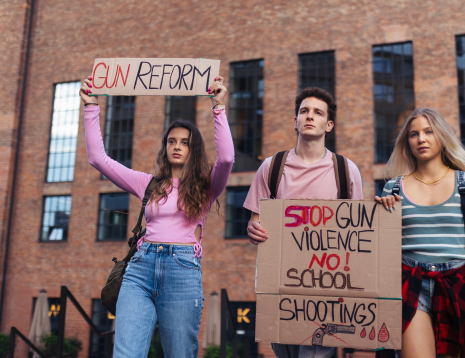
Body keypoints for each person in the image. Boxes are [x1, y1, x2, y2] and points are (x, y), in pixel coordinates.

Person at [79, 76, 234, 358]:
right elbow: (98, 159)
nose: (176, 146)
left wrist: (218, 107)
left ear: (193, 149)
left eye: (184, 142)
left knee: (179, 353)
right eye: (171, 141)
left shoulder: (206, 187)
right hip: (140, 270)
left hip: (182, 271)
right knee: (126, 354)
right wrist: (92, 107)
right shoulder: (148, 184)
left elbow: (226, 159)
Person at [245, 87, 363, 358]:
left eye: (318, 113)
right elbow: (255, 223)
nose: (310, 116)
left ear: (329, 125)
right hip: (280, 284)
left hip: (327, 285)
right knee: (283, 352)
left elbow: (357, 235)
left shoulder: (346, 171)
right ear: (294, 121)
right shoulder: (271, 167)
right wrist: (253, 230)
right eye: (304, 111)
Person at [375, 108, 465, 358]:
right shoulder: (392, 189)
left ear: (441, 137)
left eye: (428, 132)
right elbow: (382, 252)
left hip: (455, 283)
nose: (421, 139)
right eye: (414, 134)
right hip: (409, 285)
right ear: (408, 143)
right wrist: (381, 217)